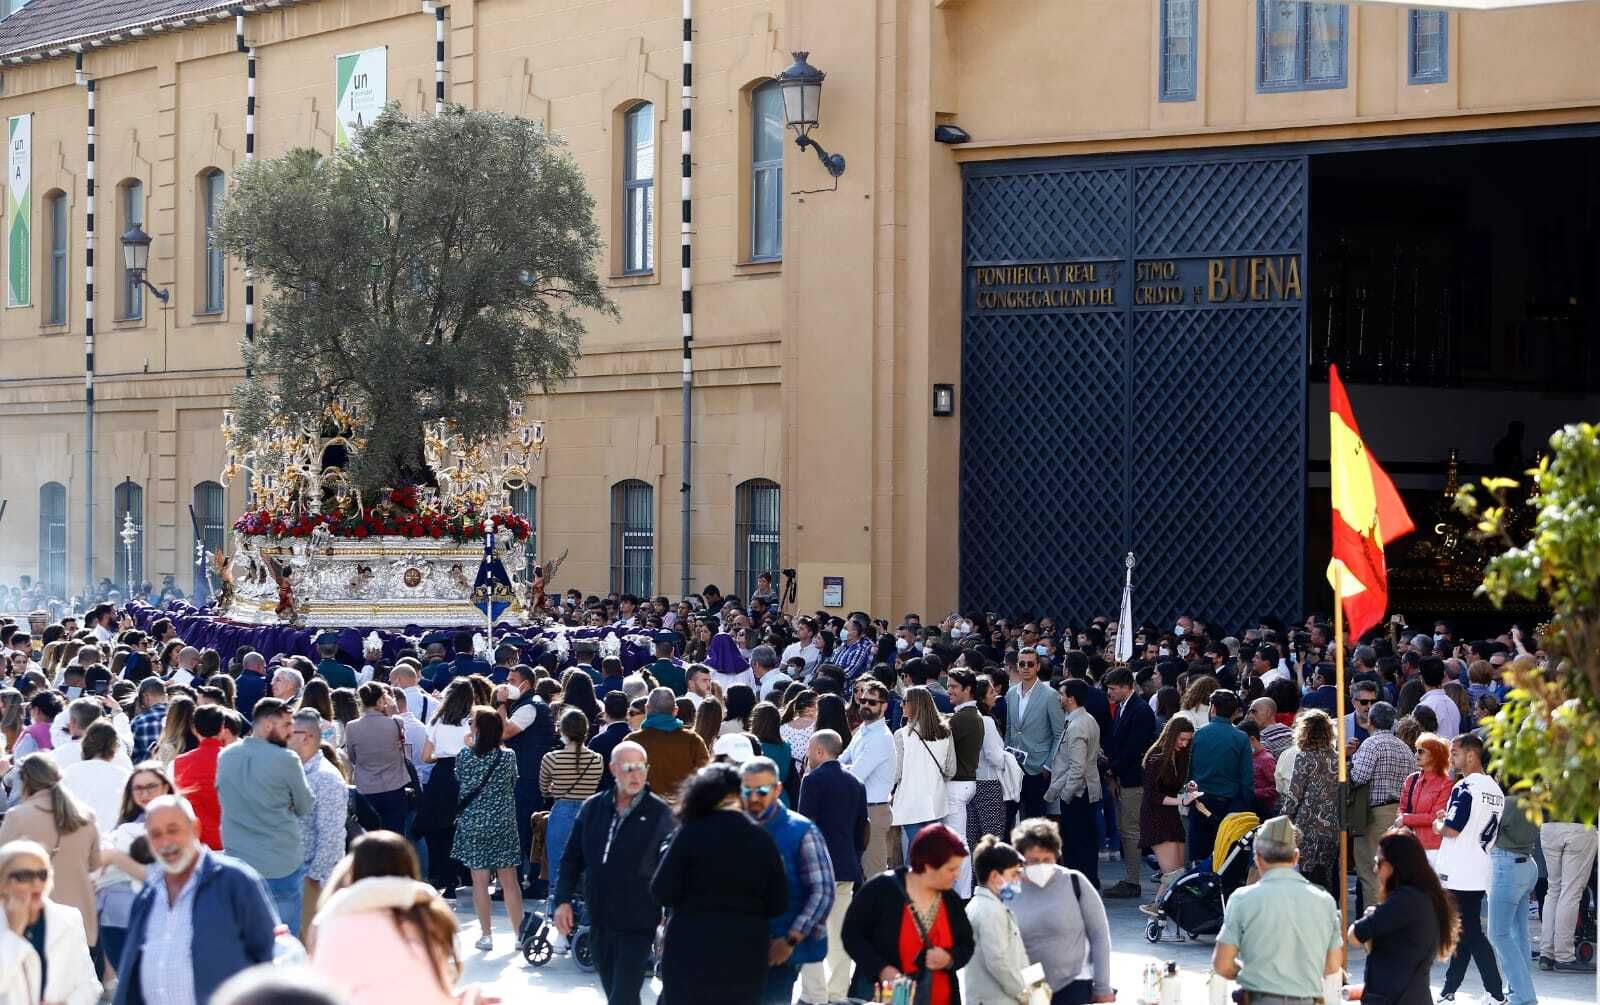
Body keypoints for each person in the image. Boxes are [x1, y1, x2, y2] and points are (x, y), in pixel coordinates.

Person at [112, 795, 278, 1005]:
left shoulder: (235, 881)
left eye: (173, 830)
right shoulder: (148, 895)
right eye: (156, 834)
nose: (166, 842)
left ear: (195, 829)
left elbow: (270, 956)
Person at [651, 763, 788, 1005]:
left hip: (690, 944)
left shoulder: (689, 834)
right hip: (746, 949)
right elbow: (778, 903)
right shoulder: (761, 838)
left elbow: (662, 890)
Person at [554, 740, 675, 1005]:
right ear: (613, 769)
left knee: (623, 996)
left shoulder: (661, 814)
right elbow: (571, 858)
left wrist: (669, 915)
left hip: (639, 922)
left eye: (640, 768)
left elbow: (673, 868)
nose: (635, 775)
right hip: (599, 919)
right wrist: (562, 900)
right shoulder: (593, 808)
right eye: (628, 767)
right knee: (616, 993)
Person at [307, 832, 461, 1005]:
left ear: (354, 868)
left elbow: (323, 982)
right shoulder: (432, 915)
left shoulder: (335, 918)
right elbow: (449, 973)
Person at [1212, 815, 1342, 1005]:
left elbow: (1222, 964)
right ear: (1296, 857)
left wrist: (1254, 974)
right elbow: (1332, 966)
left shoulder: (1242, 900)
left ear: (1257, 858)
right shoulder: (1324, 901)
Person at [841, 823, 975, 1004]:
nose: (957, 875)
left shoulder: (950, 900)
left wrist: (949, 959)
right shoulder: (881, 890)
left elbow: (966, 944)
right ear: (928, 866)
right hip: (886, 996)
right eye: (951, 869)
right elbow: (851, 934)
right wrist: (882, 969)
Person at [214, 697, 315, 937]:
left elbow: (223, 797)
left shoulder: (226, 756)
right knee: (283, 939)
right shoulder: (286, 760)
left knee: (243, 937)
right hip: (279, 862)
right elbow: (304, 804)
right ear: (269, 724)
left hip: (238, 860)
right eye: (287, 725)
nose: (291, 732)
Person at [740, 756, 835, 1004]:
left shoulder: (801, 830)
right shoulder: (734, 828)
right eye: (747, 790)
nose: (754, 797)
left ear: (777, 789)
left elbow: (822, 891)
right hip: (739, 947)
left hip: (780, 949)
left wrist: (791, 938)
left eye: (762, 790)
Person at [0, 755, 102, 961]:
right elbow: (95, 866)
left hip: (31, 920)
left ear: (25, 781)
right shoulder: (87, 817)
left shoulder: (17, 817)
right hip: (79, 921)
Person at [1433, 732, 1505, 1004]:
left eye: (1455, 752)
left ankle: (1496, 993)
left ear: (1471, 755)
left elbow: (1451, 829)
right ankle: (1449, 989)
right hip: (1480, 868)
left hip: (1459, 871)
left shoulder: (1464, 787)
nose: (1451, 758)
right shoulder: (1495, 789)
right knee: (1464, 931)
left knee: (1470, 931)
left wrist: (1438, 825)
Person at [1346, 829, 1458, 1005]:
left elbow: (1355, 935)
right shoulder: (1425, 897)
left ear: (1394, 865)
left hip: (1394, 998)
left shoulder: (1404, 900)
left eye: (1378, 862)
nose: (1375, 869)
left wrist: (1372, 914)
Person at [796, 729, 867, 1005]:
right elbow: (863, 827)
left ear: (818, 751)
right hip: (846, 866)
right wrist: (855, 855)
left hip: (816, 869)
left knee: (811, 932)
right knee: (839, 936)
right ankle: (837, 993)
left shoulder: (812, 780)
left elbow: (806, 826)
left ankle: (814, 995)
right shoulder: (856, 782)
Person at [1007, 818, 1112, 1004]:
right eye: (1033, 860)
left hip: (1074, 980)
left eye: (1047, 859)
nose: (1040, 865)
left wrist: (1102, 986)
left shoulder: (1075, 883)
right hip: (1029, 984)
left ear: (1056, 856)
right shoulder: (1010, 892)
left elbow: (1099, 935)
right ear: (1021, 859)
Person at [451, 705, 524, 948]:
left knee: (479, 881)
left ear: (479, 729)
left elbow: (460, 779)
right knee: (510, 882)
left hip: (473, 823)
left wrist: (469, 742)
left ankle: (486, 935)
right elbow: (512, 782)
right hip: (503, 823)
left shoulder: (464, 755)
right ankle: (519, 934)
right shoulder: (508, 756)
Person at [0, 838, 102, 1005]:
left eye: (42, 874)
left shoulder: (69, 918)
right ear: (3, 881)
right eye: (25, 876)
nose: (36, 883)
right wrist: (14, 933)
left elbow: (89, 985)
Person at [540, 707, 605, 950]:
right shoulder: (597, 759)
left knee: (559, 870)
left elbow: (544, 789)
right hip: (589, 814)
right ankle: (585, 926)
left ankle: (560, 932)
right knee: (587, 872)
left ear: (562, 730)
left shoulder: (550, 758)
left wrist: (557, 789)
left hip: (562, 811)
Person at [288, 710, 348, 938]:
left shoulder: (326, 778)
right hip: (295, 877)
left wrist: (313, 878)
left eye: (289, 732)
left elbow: (332, 836)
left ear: (306, 737)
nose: (283, 737)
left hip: (313, 881)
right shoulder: (295, 771)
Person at [1348, 700, 1411, 913]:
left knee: (1370, 873)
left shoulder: (1372, 744)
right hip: (1399, 815)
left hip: (1375, 815)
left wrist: (1347, 763)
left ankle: (1373, 929)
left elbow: (1358, 776)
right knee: (1393, 873)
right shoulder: (1404, 748)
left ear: (1371, 721)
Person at [1042, 679, 1103, 889]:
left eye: (1062, 694)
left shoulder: (1078, 725)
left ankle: (1080, 886)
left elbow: (1077, 767)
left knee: (1077, 843)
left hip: (1078, 793)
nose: (1059, 698)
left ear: (1071, 698)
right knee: (1085, 841)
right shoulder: (1086, 719)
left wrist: (1066, 795)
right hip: (1084, 790)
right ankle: (1087, 883)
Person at [1101, 667, 1155, 900]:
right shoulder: (1125, 707)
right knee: (1126, 830)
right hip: (1124, 777)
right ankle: (1130, 878)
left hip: (1134, 779)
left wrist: (1112, 768)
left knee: (1131, 831)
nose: (1110, 693)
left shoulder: (1140, 710)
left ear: (1126, 687)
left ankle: (1133, 881)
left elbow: (1134, 747)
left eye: (1113, 689)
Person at [1185, 689, 1253, 869]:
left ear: (1213, 708)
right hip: (1229, 805)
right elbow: (1246, 779)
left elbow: (1189, 771)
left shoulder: (1198, 734)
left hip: (1200, 801)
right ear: (1234, 712)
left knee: (1199, 856)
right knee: (1226, 856)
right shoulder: (1241, 737)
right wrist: (1243, 806)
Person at [961, 835, 1029, 1005]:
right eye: (1013, 874)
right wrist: (1026, 993)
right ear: (994, 877)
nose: (1018, 879)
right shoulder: (990, 911)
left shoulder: (987, 906)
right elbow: (998, 961)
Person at [1486, 791, 1539, 1004]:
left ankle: (1524, 997)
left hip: (1508, 866)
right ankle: (1519, 994)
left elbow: (1487, 832)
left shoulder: (1508, 803)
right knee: (1518, 934)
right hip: (1526, 865)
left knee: (1498, 934)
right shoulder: (1533, 802)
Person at [1281, 709, 1341, 898]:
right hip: (1332, 824)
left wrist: (1283, 817)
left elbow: (1295, 793)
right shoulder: (1338, 758)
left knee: (1306, 872)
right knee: (1327, 872)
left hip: (1308, 823)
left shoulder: (1305, 757)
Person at [1138, 716, 1194, 914]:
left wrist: (1185, 793)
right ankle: (1158, 906)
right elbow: (1153, 795)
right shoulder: (1157, 756)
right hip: (1156, 816)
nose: (1184, 744)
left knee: (1177, 871)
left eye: (1187, 740)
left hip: (1169, 815)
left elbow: (1169, 788)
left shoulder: (1177, 756)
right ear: (1171, 736)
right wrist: (1181, 800)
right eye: (1181, 739)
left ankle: (1159, 907)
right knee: (1173, 872)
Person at [841, 680, 897, 875]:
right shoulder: (863, 731)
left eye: (872, 702)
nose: (865, 705)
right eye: (863, 700)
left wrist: (841, 767)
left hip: (874, 811)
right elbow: (841, 760)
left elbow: (856, 774)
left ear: (884, 706)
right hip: (860, 809)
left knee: (874, 874)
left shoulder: (881, 736)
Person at [342, 683, 410, 837]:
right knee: (395, 836)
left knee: (370, 838)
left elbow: (352, 757)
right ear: (381, 700)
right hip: (395, 786)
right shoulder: (396, 722)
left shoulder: (351, 727)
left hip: (367, 787)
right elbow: (407, 752)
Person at [1004, 650, 1064, 820]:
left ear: (1037, 667)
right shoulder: (1011, 693)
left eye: (1030, 664)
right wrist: (1006, 755)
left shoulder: (1050, 695)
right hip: (1014, 764)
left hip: (1038, 766)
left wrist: (1048, 765)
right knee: (1008, 817)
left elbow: (1059, 734)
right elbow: (1010, 728)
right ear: (1017, 666)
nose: (1026, 668)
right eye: (1022, 664)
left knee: (1034, 818)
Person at [1537, 812, 1598, 973]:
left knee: (1554, 890)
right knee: (1570, 892)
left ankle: (1547, 953)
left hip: (1549, 826)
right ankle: (1564, 956)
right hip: (1579, 826)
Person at [625, 687, 710, 802]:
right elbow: (705, 778)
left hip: (644, 810)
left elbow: (623, 778)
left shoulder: (632, 741)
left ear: (647, 708)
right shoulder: (693, 740)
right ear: (675, 711)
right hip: (682, 810)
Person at [172, 704, 228, 850]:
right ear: (222, 729)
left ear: (194, 729)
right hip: (233, 840)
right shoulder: (236, 760)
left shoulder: (180, 763)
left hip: (197, 843)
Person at [61, 720, 130, 836]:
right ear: (114, 747)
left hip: (76, 836)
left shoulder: (70, 771)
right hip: (111, 840)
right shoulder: (123, 775)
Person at [1397, 733, 1453, 866]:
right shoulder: (1412, 779)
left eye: (1421, 751)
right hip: (1410, 844)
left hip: (1433, 848)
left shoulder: (1446, 783)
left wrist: (1405, 819)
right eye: (1416, 750)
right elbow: (1402, 808)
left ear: (1435, 755)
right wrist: (1403, 820)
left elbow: (1435, 816)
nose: (1416, 754)